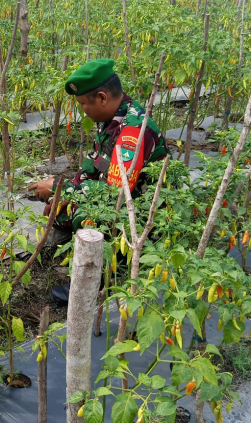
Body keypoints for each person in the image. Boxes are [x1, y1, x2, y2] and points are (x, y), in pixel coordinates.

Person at [27, 59, 168, 302]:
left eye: (83, 103)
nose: (83, 110)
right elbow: (95, 163)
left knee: (83, 215)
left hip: (142, 213)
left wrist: (61, 188)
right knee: (61, 210)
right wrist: (61, 194)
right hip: (125, 198)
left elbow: (117, 192)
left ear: (102, 98)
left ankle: (95, 281)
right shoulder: (112, 120)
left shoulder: (133, 130)